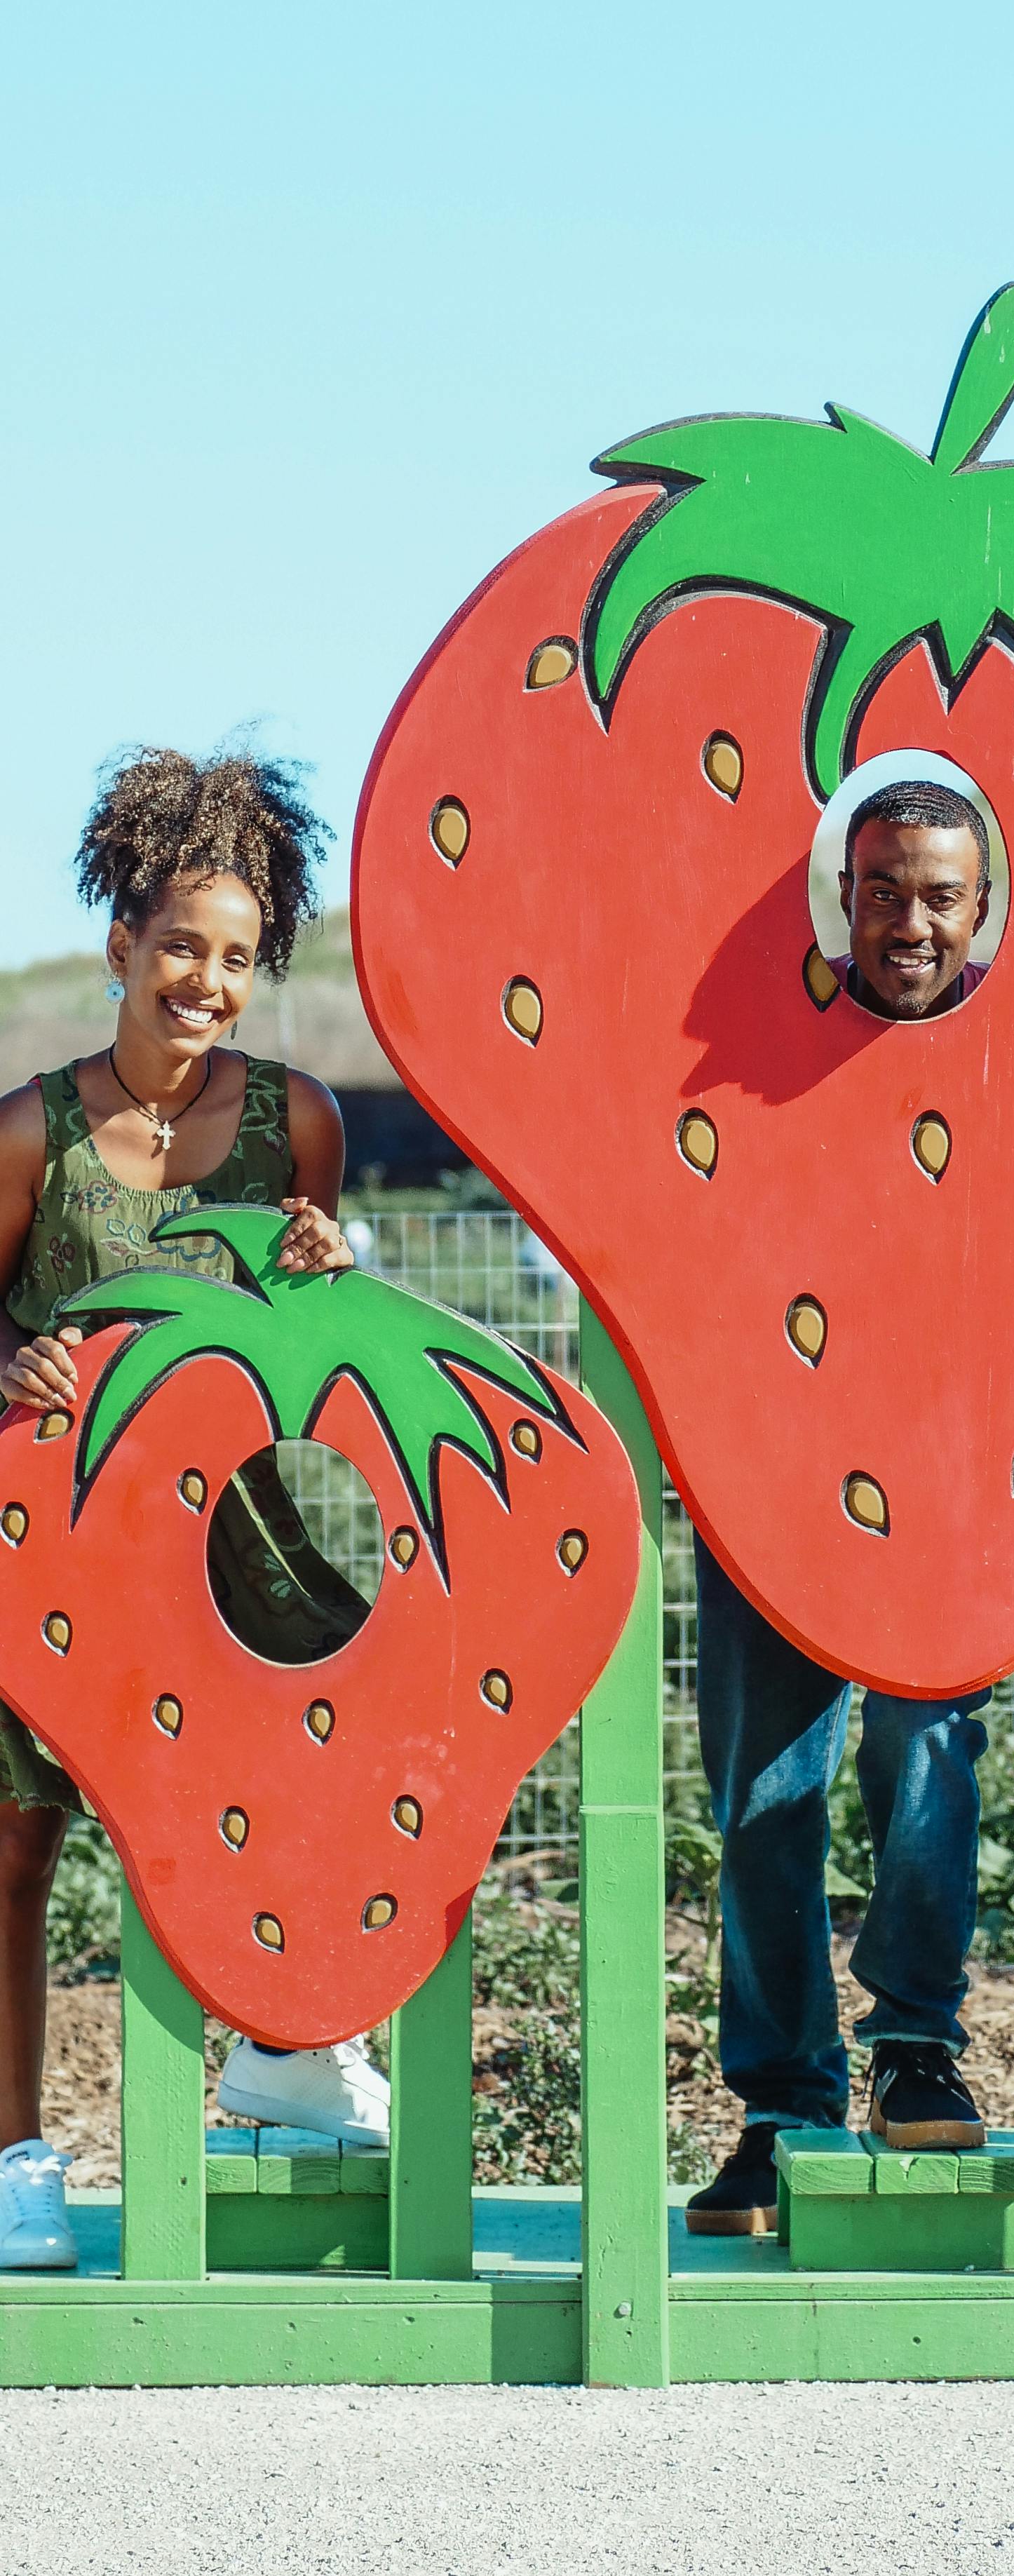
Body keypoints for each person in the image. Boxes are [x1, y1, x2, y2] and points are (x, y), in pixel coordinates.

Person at [0, 749, 389, 2268]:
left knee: (322, 1766)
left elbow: (321, 1346)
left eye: (236, 957)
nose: (205, 980)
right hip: (57, 1551)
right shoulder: (28, 1131)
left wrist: (327, 1274)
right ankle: (19, 2156)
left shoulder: (297, 1122)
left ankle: (288, 2055)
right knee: (18, 1852)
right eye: (178, 945)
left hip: (240, 1538)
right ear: (118, 945)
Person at [686, 779, 996, 2234]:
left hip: (957, 1472)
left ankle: (913, 2041)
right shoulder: (760, 1048)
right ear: (843, 895)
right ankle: (778, 2101)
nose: (910, 918)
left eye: (938, 890)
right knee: (765, 1790)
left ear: (981, 900)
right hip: (770, 1462)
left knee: (923, 1748)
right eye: (883, 886)